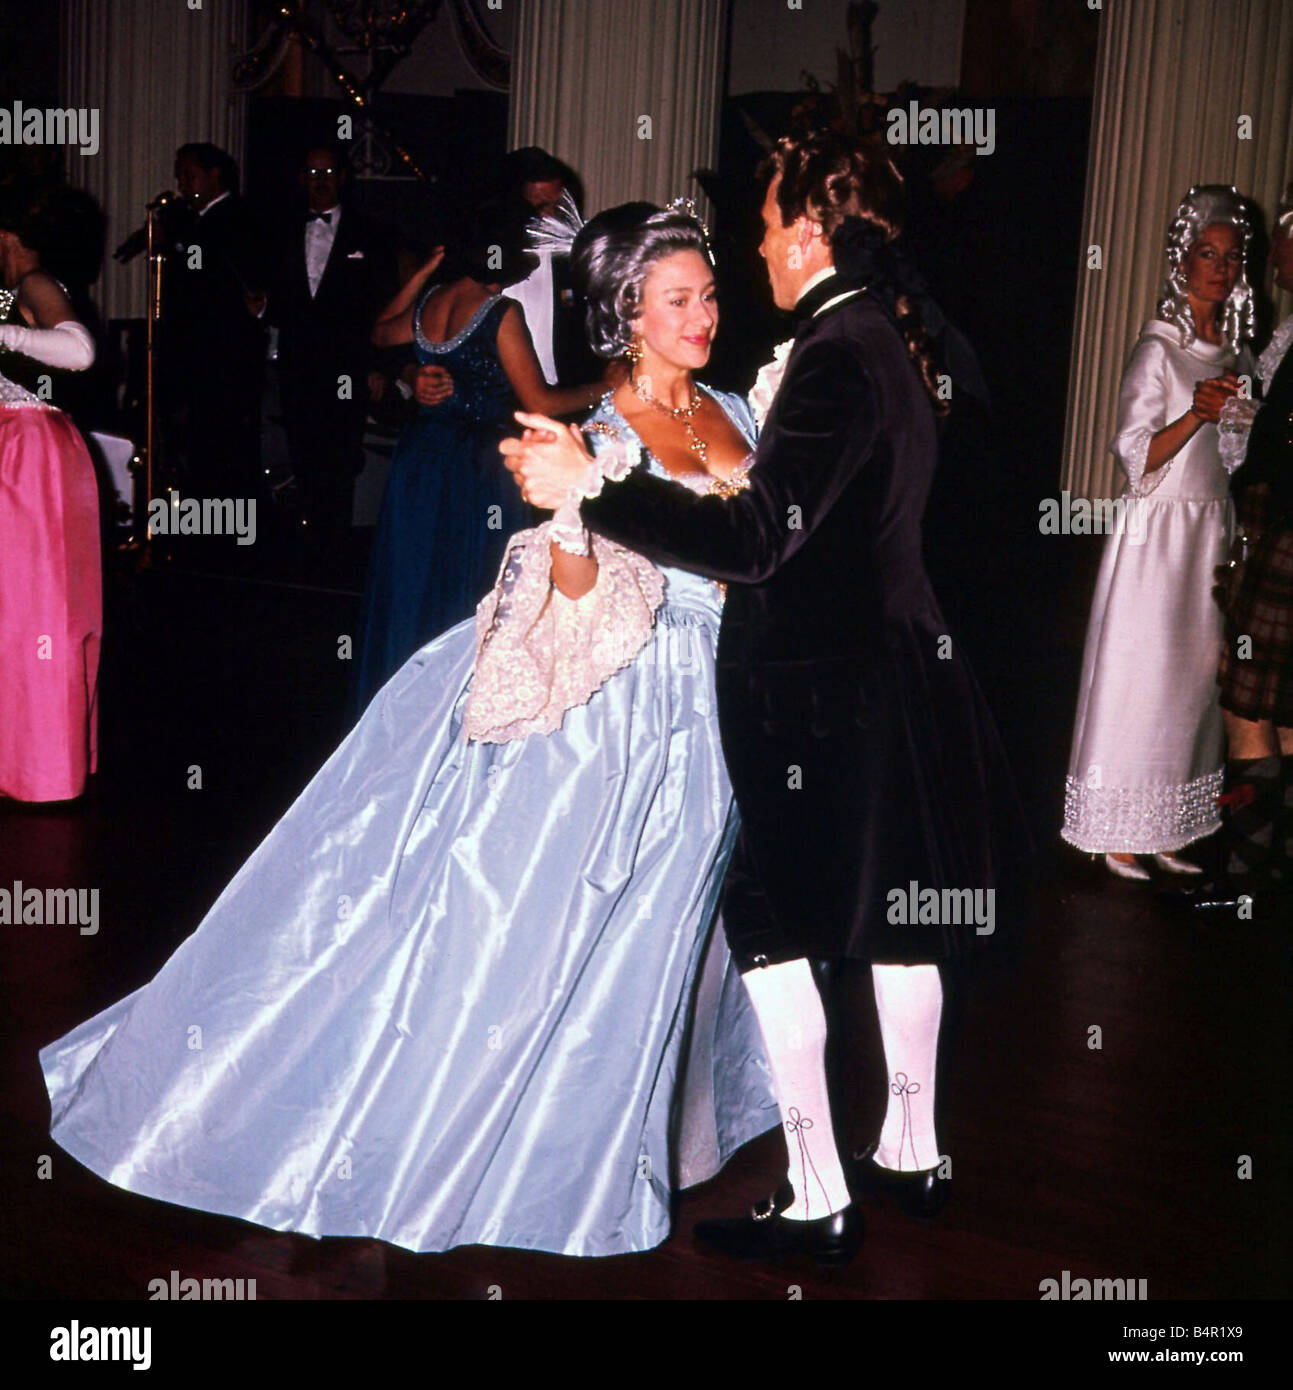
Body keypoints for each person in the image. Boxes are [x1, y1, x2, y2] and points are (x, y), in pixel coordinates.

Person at [39, 206, 778, 1258]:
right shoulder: (603, 434)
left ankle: (633, 1124)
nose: (704, 314)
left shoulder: (741, 406)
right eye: (679, 299)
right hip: (627, 702)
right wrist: (570, 518)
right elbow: (578, 598)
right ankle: (510, 1141)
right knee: (552, 922)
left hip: (724, 700)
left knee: (673, 927)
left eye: (709, 294)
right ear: (626, 314)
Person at [505, 131, 1022, 1266]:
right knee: (895, 917)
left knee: (776, 928)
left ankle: (821, 1190)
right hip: (866, 677)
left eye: (756, 232)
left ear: (806, 231)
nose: (745, 265)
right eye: (680, 292)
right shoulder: (876, 337)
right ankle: (911, 1152)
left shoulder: (832, 353)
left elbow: (754, 537)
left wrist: (597, 489)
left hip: (819, 699)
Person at [1062, 186, 1255, 880]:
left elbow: (1229, 460)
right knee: (1140, 677)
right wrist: (1197, 415)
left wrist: (1232, 421)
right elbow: (1134, 455)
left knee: (1188, 683)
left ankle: (1166, 821)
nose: (1220, 269)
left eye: (1230, 258)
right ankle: (1114, 828)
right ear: (1182, 261)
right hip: (1155, 537)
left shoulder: (1230, 355)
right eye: (1206, 254)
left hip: (1205, 531)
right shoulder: (1157, 351)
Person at [354, 207, 607, 712]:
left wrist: (427, 273)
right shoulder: (498, 313)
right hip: (478, 469)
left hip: (421, 460)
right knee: (474, 593)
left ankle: (404, 711)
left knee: (415, 585)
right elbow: (538, 402)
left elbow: (379, 331)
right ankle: (464, 713)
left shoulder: (433, 302)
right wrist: (610, 385)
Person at [1190, 182, 1293, 917]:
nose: (1270, 251)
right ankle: (1272, 871)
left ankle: (1247, 876)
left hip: (1284, 526)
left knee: (1247, 711)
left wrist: (1243, 425)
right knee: (1284, 715)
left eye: (1280, 233)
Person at [0, 179, 102, 802]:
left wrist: (3, 337)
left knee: (37, 610)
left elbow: (79, 352)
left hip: (32, 456)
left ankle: (41, 766)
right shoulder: (9, 291)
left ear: (10, 238)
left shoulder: (35, 284)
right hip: (16, 449)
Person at [268, 144, 398, 540]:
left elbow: (384, 303)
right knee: (302, 457)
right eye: (311, 173)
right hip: (296, 365)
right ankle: (307, 547)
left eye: (327, 174)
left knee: (341, 459)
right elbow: (277, 298)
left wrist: (378, 365)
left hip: (347, 366)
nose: (319, 182)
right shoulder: (282, 229)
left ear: (343, 178)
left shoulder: (370, 233)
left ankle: (335, 551)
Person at [159, 143, 268, 501]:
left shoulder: (235, 218)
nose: (181, 183)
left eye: (188, 175)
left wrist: (181, 242)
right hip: (197, 354)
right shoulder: (196, 221)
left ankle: (229, 530)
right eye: (180, 175)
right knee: (199, 445)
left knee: (226, 447)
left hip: (226, 356)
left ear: (214, 175)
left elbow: (208, 277)